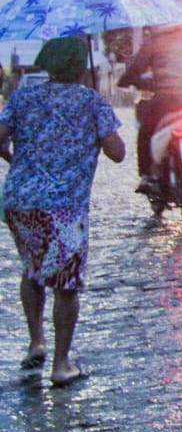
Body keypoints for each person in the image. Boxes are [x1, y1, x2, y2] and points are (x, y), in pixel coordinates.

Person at [0, 35, 125, 387]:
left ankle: (36, 342)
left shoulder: (23, 97)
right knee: (66, 284)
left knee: (33, 268)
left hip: (21, 202)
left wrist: (15, 160)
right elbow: (117, 153)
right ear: (81, 68)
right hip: (65, 207)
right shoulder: (91, 101)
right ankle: (61, 363)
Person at [116, 25, 182, 195]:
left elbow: (134, 72)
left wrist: (129, 81)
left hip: (165, 101)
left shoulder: (154, 43)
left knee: (146, 131)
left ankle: (146, 175)